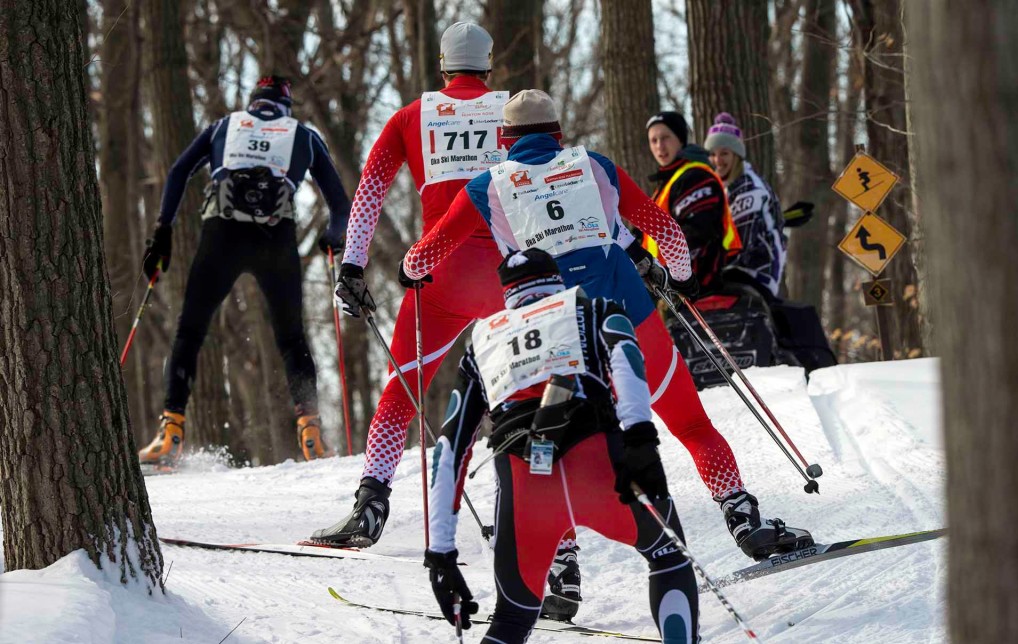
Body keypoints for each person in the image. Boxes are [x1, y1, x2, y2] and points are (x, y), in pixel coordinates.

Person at [402, 89, 812, 619]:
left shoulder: (488, 185)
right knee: (690, 423)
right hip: (630, 316)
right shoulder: (592, 165)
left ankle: (563, 571)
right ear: (558, 135)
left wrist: (411, 271)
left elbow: (425, 254)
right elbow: (664, 231)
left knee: (554, 441)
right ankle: (743, 519)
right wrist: (674, 273)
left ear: (503, 141)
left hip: (554, 337)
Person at [424, 248, 700, 644]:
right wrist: (641, 440)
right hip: (598, 466)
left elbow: (450, 448)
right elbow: (626, 358)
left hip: (526, 491)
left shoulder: (481, 342)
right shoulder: (591, 307)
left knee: (513, 618)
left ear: (507, 293)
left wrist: (441, 554)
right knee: (668, 557)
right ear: (557, 281)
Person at [310, 23, 510, 546]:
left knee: (402, 392)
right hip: (511, 275)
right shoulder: (513, 112)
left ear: (442, 66)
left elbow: (371, 189)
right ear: (488, 67)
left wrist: (351, 267)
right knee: (521, 391)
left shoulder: (411, 116)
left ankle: (371, 503)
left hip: (439, 274)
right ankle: (540, 521)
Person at [138, 76, 350, 467]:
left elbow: (177, 172)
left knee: (191, 329)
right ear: (285, 106)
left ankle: (170, 430)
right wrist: (332, 237)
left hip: (222, 234)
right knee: (291, 337)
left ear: (253, 103)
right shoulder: (302, 135)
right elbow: (340, 203)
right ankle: (311, 432)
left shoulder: (225, 126)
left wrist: (162, 232)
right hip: (277, 238)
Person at [644, 111, 741, 292]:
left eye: (666, 138)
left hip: (691, 288)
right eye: (653, 140)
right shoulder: (668, 182)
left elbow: (696, 236)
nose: (660, 146)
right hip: (662, 286)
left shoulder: (695, 178)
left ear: (680, 139)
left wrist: (678, 283)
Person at [704, 113, 787, 300]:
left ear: (737, 156)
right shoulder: (723, 189)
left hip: (756, 274)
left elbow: (740, 245)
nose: (718, 160)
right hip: (736, 272)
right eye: (713, 154)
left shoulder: (749, 189)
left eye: (724, 153)